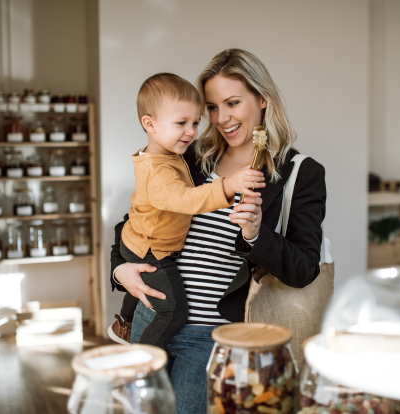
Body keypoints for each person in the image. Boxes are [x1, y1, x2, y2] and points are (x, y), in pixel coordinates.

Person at [110, 49, 326, 414]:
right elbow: (134, 223)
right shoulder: (190, 157)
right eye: (212, 107)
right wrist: (119, 270)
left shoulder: (300, 172)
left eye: (232, 102)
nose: (221, 118)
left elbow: (304, 268)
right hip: (152, 315)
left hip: (212, 335)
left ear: (262, 99)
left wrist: (257, 235)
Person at [109, 72, 265, 349]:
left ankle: (133, 329)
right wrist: (229, 186)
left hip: (208, 325)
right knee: (174, 311)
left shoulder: (173, 154)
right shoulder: (164, 165)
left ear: (263, 100)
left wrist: (254, 234)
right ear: (150, 124)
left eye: (195, 122)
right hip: (151, 250)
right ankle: (144, 356)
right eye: (182, 123)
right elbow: (183, 201)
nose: (192, 132)